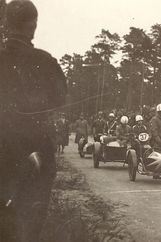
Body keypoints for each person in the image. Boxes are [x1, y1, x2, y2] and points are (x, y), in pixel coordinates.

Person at [0, 1, 67, 241]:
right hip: (34, 155)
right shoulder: (45, 62)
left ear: (5, 23)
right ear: (33, 26)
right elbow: (60, 98)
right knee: (29, 226)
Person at [149, 104, 161, 180]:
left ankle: (157, 173)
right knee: (157, 157)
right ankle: (155, 173)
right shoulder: (154, 119)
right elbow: (154, 132)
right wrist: (159, 141)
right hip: (156, 141)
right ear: (159, 112)